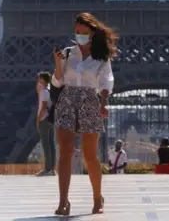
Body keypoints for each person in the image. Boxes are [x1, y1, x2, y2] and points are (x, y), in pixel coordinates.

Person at [51, 12, 117, 216]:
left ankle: (98, 198)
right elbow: (56, 83)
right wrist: (57, 64)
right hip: (68, 100)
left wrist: (103, 104)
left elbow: (106, 83)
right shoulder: (67, 53)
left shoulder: (101, 57)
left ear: (92, 32)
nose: (79, 35)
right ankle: (63, 201)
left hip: (90, 100)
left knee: (90, 155)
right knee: (65, 153)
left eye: (83, 32)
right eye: (77, 32)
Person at [36, 71, 56, 176]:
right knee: (52, 144)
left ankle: (47, 169)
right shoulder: (49, 91)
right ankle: (52, 169)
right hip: (51, 119)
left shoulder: (43, 92)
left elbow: (43, 107)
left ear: (42, 79)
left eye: (39, 79)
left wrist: (38, 119)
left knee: (45, 144)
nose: (38, 81)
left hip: (44, 119)